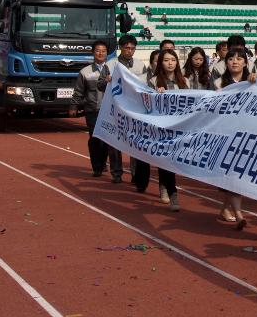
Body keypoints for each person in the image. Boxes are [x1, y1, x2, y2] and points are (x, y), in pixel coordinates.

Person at [134, 49, 184, 211]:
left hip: (179, 128)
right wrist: (156, 95)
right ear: (160, 63)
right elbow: (146, 104)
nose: (170, 63)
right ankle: (172, 193)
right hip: (160, 128)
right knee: (165, 160)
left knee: (172, 162)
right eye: (166, 60)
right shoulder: (154, 81)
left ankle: (165, 185)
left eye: (173, 60)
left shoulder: (184, 82)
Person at [73, 40, 123, 182]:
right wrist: (73, 106)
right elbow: (78, 91)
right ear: (93, 53)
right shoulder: (85, 72)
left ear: (108, 53)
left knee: (113, 142)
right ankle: (98, 167)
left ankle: (117, 173)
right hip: (93, 110)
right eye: (97, 51)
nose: (100, 53)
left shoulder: (116, 69)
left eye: (103, 51)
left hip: (112, 111)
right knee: (96, 141)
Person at [212, 48, 250, 230]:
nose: (235, 62)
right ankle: (239, 214)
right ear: (225, 62)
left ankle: (224, 208)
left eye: (239, 58)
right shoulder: (219, 83)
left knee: (237, 176)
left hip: (248, 136)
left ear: (245, 62)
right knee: (233, 176)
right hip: (226, 136)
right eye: (231, 58)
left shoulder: (254, 82)